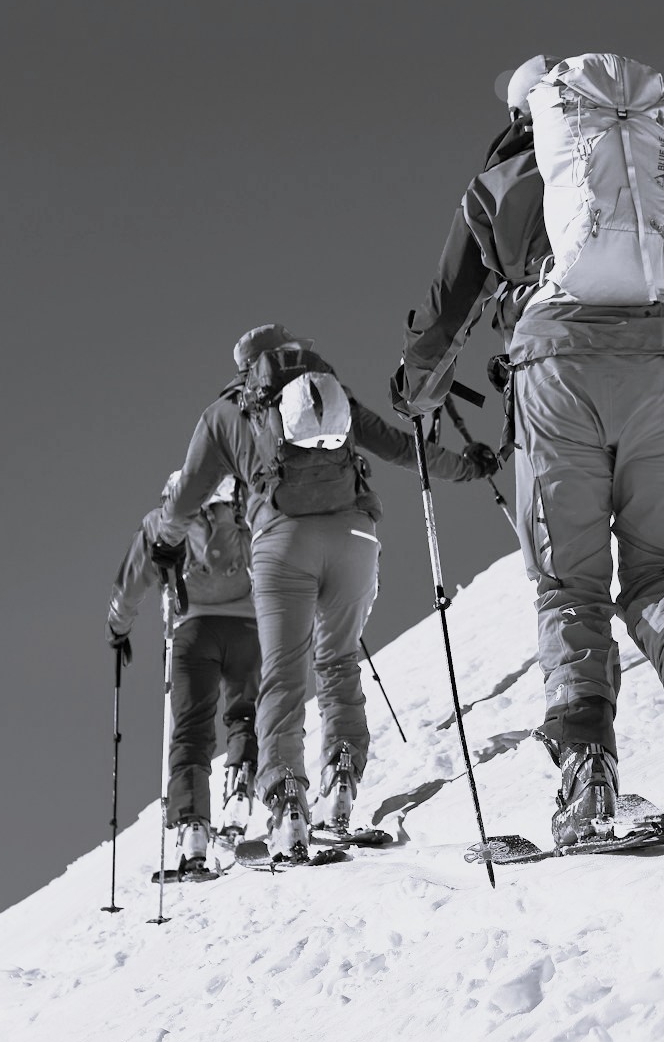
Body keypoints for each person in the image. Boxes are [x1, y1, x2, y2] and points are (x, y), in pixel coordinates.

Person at [393, 53, 664, 842]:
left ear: (525, 117)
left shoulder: (500, 184)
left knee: (568, 586)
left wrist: (416, 393)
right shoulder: (658, 153)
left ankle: (586, 774)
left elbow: (446, 314)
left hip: (554, 374)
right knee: (661, 567)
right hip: (660, 365)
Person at [152, 325, 493, 861]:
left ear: (245, 365)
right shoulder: (327, 392)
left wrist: (166, 546)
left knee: (283, 674)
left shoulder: (227, 413)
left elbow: (186, 500)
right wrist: (468, 466)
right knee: (339, 661)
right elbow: (403, 448)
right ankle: (340, 787)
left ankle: (288, 805)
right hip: (355, 537)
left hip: (281, 542)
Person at [109, 473, 260, 876]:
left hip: (190, 633)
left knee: (190, 730)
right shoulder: (245, 514)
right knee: (245, 713)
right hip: (248, 627)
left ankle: (193, 827)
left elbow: (131, 581)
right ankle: (240, 787)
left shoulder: (162, 521)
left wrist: (118, 627)